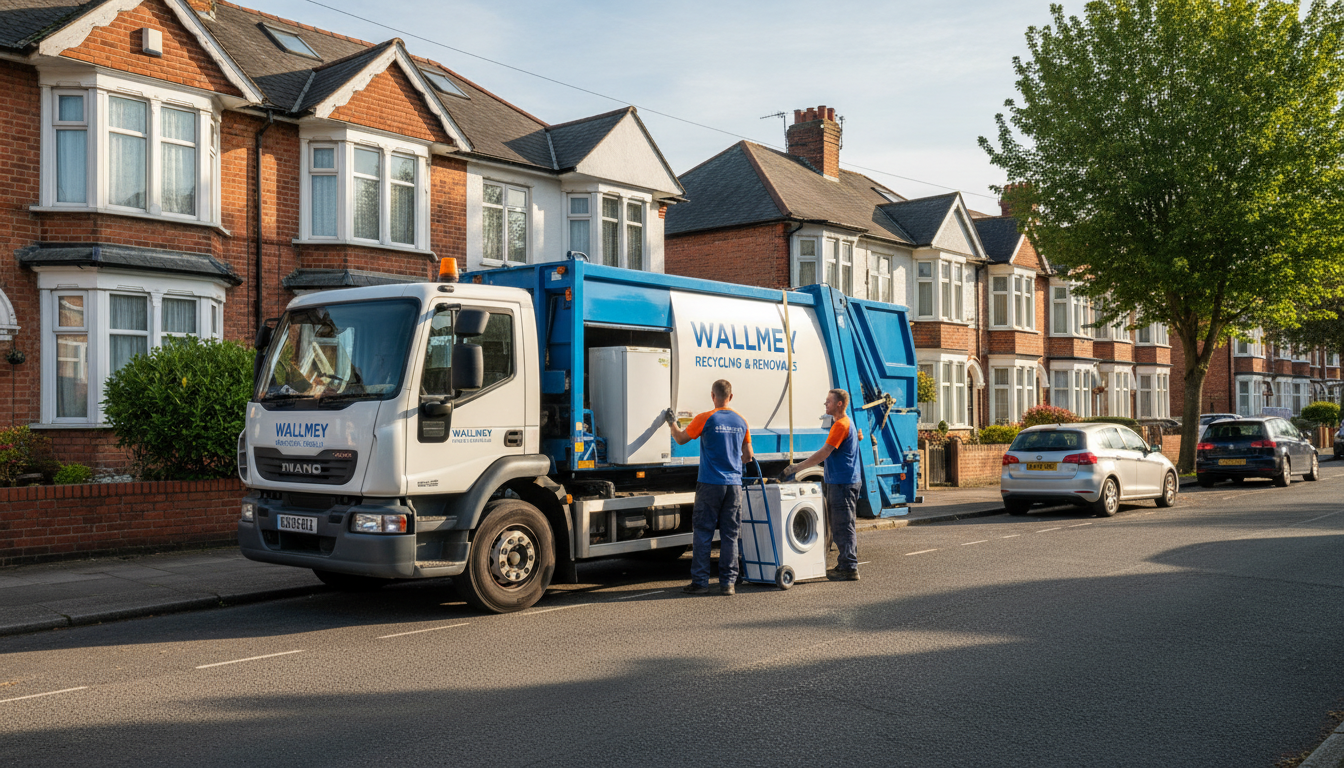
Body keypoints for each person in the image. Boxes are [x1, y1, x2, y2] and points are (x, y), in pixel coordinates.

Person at [665, 379, 752, 596]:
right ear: (730, 397)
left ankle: (701, 583)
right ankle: (728, 584)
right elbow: (748, 456)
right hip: (733, 485)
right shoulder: (741, 421)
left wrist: (671, 423)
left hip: (710, 483)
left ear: (713, 396)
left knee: (703, 533)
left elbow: (681, 438)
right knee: (731, 534)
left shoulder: (705, 418)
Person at [782, 388, 862, 581]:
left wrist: (796, 468)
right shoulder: (844, 423)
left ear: (839, 404)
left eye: (828, 401)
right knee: (843, 523)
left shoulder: (841, 425)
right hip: (844, 480)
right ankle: (847, 562)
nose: (825, 404)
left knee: (842, 524)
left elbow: (824, 452)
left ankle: (849, 567)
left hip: (842, 482)